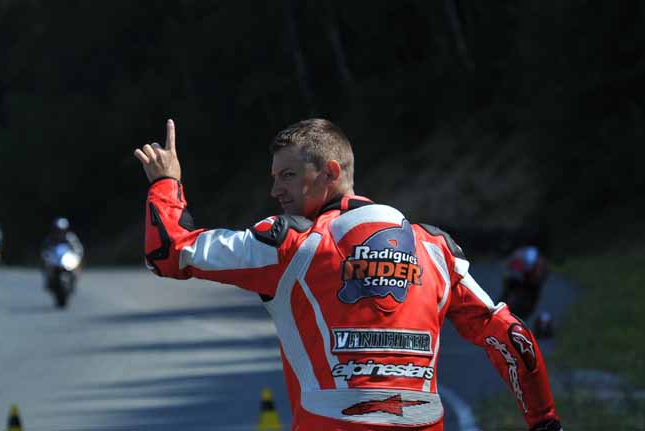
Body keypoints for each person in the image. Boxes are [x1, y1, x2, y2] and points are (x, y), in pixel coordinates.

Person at [134, 119, 562, 431]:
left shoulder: (289, 245)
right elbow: (512, 336)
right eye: (274, 177)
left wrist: (166, 182)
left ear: (331, 172)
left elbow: (168, 252)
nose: (275, 190)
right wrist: (544, 421)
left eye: (288, 175)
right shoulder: (435, 249)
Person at [499, 245, 549, 320]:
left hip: (529, 284)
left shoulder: (539, 263)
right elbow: (508, 270)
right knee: (507, 293)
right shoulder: (520, 256)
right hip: (520, 281)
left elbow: (541, 278)